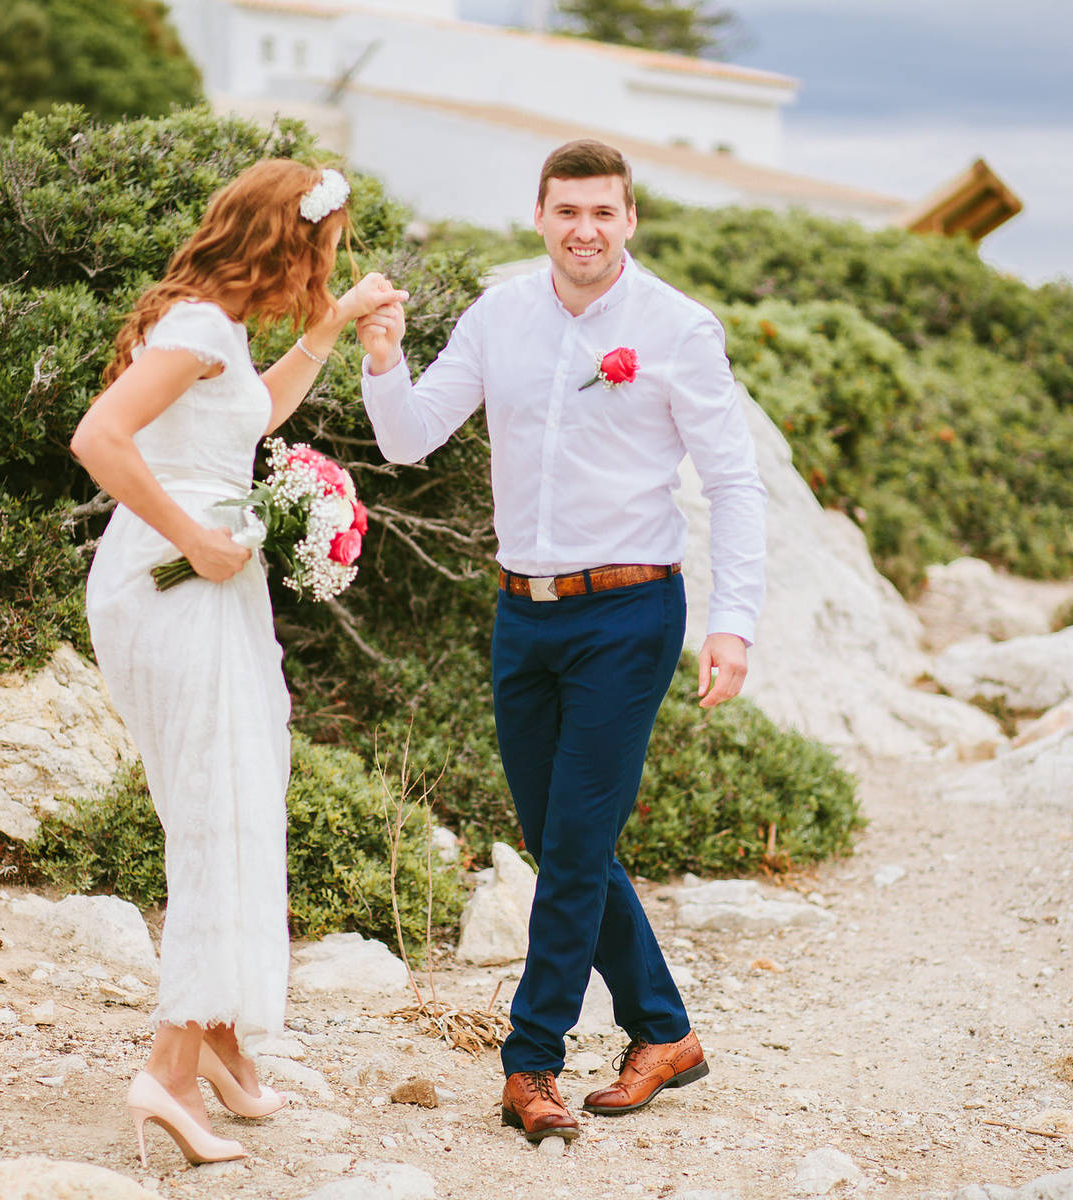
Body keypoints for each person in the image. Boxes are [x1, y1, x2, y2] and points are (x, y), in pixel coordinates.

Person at [355, 139, 767, 1143]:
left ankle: (529, 1063)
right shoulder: (500, 314)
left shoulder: (676, 328)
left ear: (629, 221)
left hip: (629, 614)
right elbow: (410, 438)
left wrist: (733, 623)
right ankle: (665, 1032)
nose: (585, 228)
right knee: (561, 842)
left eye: (604, 212)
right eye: (567, 209)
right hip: (521, 614)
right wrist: (381, 357)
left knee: (576, 844)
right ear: (540, 215)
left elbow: (733, 483)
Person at [71, 159, 404, 1168]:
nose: (330, 263)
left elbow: (247, 420)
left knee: (227, 800)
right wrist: (194, 538)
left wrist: (332, 326)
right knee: (221, 809)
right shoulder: (194, 330)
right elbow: (102, 438)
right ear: (290, 242)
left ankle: (212, 1031)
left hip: (201, 582)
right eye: (327, 249)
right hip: (175, 582)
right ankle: (169, 1075)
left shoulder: (209, 327)